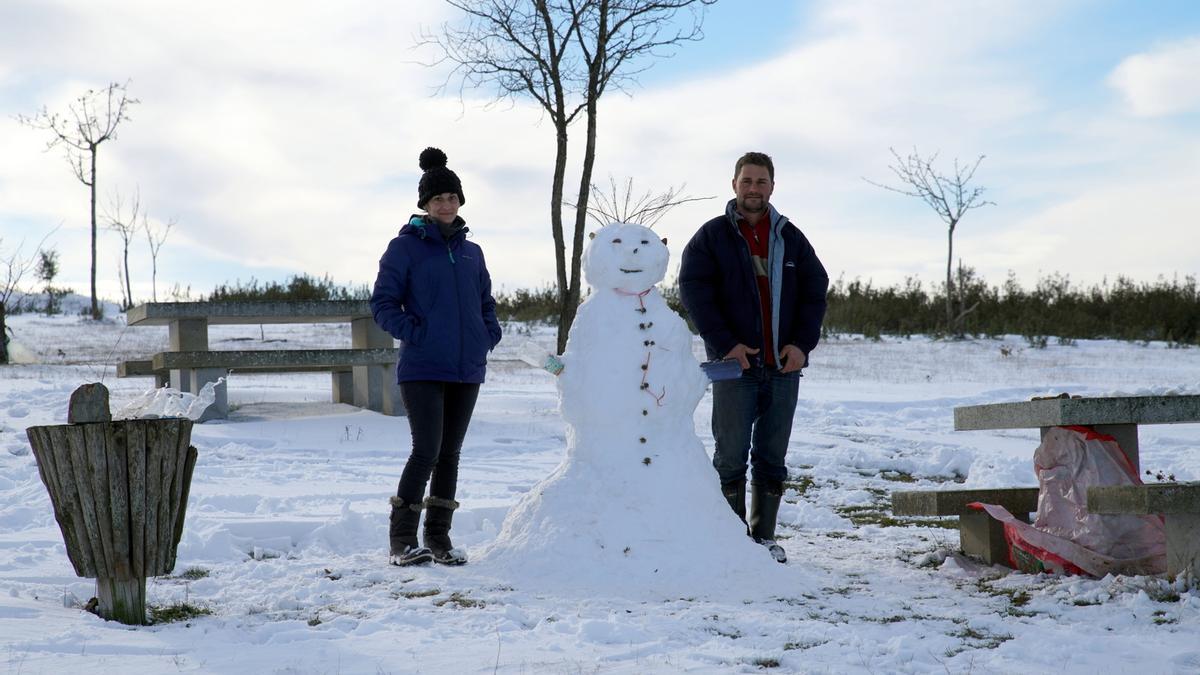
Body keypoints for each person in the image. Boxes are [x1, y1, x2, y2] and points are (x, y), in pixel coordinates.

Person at [679, 151, 828, 563]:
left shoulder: (791, 237)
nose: (754, 189)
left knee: (771, 456)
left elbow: (816, 292)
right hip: (732, 365)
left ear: (772, 188)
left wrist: (801, 344)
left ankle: (763, 540)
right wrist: (726, 343)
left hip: (783, 367)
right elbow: (694, 290)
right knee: (729, 455)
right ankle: (729, 541)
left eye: (761, 182)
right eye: (747, 181)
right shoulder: (712, 237)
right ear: (734, 185)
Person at [370, 147, 502, 566]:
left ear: (459, 201)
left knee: (450, 455)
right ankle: (402, 541)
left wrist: (488, 334)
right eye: (437, 199)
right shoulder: (404, 248)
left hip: (467, 368)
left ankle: (439, 540)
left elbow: (486, 302)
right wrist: (417, 334)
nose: (446, 204)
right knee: (426, 450)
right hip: (424, 366)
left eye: (452, 197)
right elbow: (383, 304)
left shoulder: (471, 252)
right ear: (425, 205)